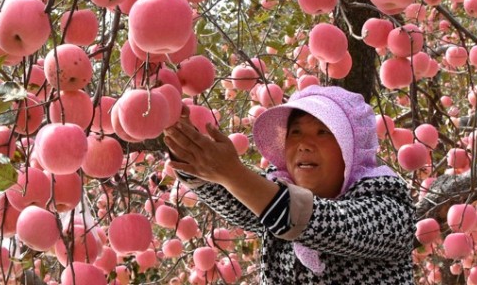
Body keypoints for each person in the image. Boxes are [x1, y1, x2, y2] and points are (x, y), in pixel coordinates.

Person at [163, 85, 415, 284]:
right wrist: (184, 146)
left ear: (350, 149)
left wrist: (232, 172)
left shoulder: (390, 208)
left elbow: (328, 223)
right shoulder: (277, 191)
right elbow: (238, 199)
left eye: (323, 132)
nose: (304, 144)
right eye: (295, 132)